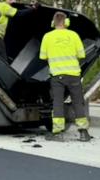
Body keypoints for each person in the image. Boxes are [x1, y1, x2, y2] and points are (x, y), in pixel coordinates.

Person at [39, 11, 91, 142]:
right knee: (78, 103)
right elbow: (82, 55)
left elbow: (42, 56)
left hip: (57, 76)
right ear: (66, 22)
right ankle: (83, 132)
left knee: (58, 103)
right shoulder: (73, 35)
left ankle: (58, 133)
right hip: (74, 75)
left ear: (53, 23)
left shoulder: (47, 37)